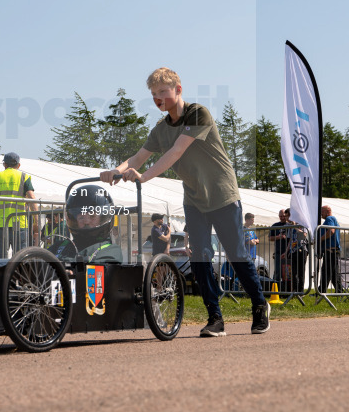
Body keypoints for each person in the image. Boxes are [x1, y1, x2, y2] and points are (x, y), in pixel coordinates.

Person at [100, 67, 269, 336]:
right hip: (194, 199)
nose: (158, 99)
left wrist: (143, 177)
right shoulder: (160, 129)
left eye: (163, 93)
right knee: (200, 257)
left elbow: (177, 152)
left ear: (178, 90)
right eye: (154, 95)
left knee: (237, 255)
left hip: (223, 195)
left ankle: (260, 305)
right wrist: (117, 171)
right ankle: (215, 317)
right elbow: (137, 157)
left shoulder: (197, 114)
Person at [47, 184, 124, 263]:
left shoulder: (110, 250)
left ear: (103, 217)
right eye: (81, 217)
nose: (86, 221)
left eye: (92, 216)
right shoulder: (61, 246)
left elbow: (101, 271)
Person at [0, 152, 38, 258]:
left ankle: (1, 274)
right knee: (20, 258)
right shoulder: (24, 177)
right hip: (19, 223)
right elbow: (31, 197)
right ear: (18, 165)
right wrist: (36, 222)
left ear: (4, 164)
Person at [317, 205, 342, 294]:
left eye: (322, 212)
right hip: (333, 250)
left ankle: (321, 291)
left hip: (331, 250)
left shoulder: (329, 218)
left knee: (326, 271)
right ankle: (339, 291)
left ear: (327, 211)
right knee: (334, 272)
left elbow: (331, 231)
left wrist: (320, 238)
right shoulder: (333, 219)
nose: (321, 214)